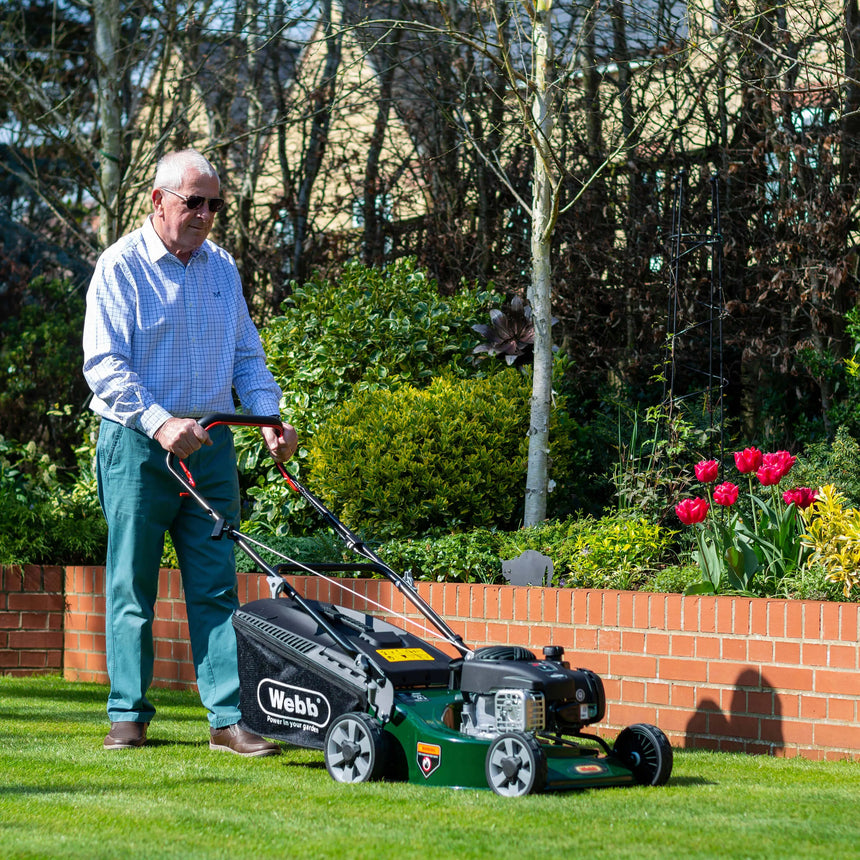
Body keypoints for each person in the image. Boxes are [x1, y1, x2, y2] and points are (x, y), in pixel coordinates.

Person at [83, 149, 298, 756]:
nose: (204, 214)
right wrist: (159, 423)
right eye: (193, 202)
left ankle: (228, 719)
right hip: (137, 446)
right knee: (132, 586)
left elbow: (247, 357)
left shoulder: (222, 268)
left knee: (216, 586)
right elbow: (104, 365)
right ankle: (127, 715)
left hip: (211, 447)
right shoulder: (120, 265)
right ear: (158, 200)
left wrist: (269, 419)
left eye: (214, 205)